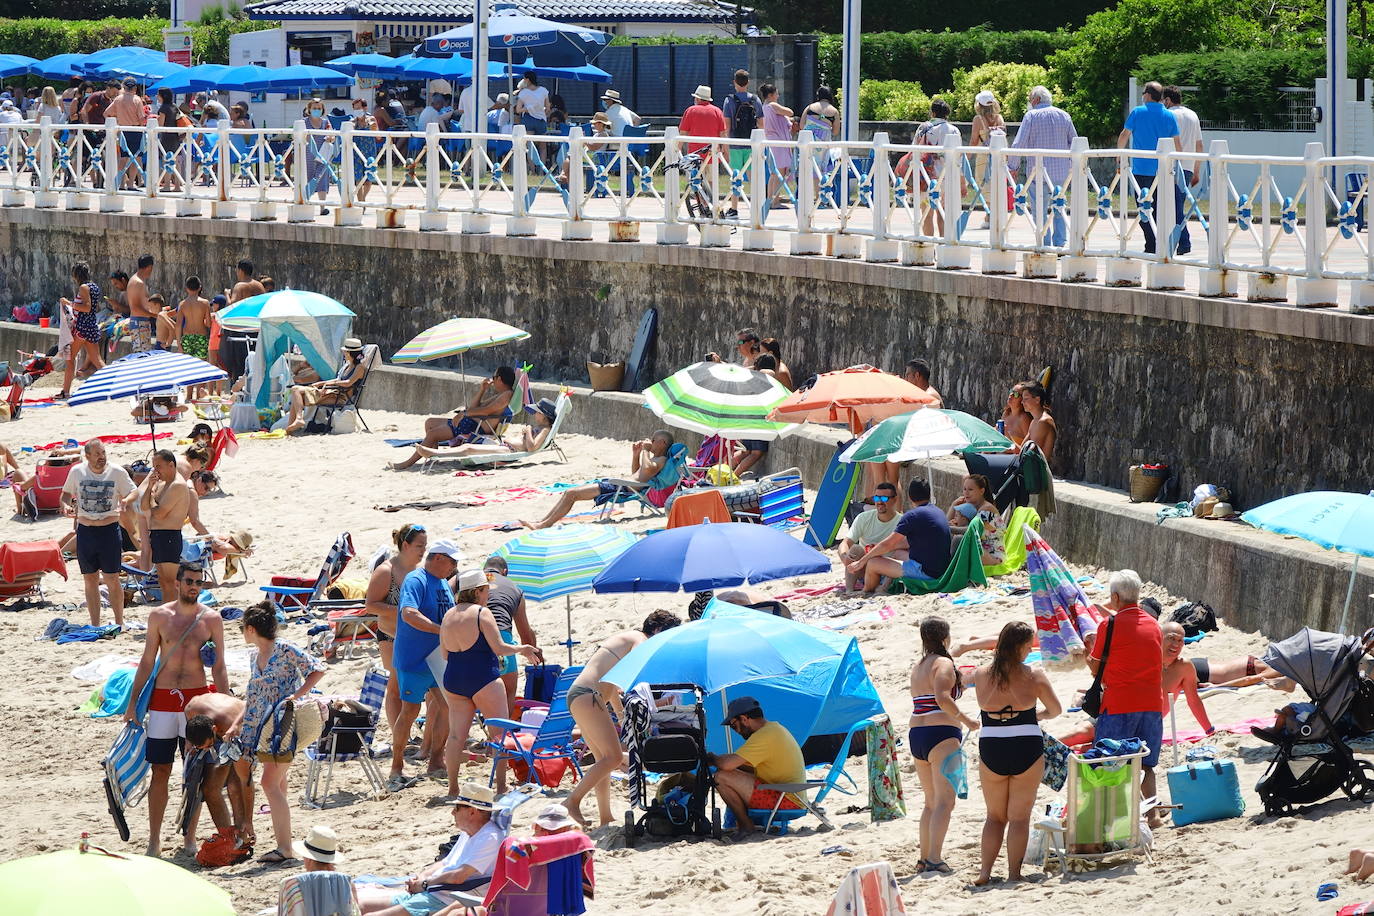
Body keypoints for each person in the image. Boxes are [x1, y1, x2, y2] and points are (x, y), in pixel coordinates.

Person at [125, 562, 229, 857]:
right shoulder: (159, 615)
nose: (194, 586)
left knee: (194, 772)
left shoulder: (211, 619)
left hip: (196, 703)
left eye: (199, 582)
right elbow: (147, 660)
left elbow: (219, 666)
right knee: (160, 770)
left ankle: (189, 838)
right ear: (178, 583)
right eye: (190, 581)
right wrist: (132, 703)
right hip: (162, 701)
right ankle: (154, 840)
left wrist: (225, 704)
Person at [563, 611, 682, 826]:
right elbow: (638, 670)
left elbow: (612, 687)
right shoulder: (639, 638)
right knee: (614, 758)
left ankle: (605, 817)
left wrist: (621, 718)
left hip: (581, 696)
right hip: (589, 697)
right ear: (657, 630)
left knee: (603, 760)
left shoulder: (624, 641)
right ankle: (572, 802)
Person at [232, 600, 328, 864]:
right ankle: (283, 844)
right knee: (278, 785)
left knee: (269, 783)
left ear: (251, 629)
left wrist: (296, 696)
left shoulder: (284, 649)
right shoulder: (254, 656)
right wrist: (236, 723)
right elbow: (253, 695)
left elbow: (317, 669)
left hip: (283, 726)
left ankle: (285, 848)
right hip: (260, 729)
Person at [971, 620, 1061, 885]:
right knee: (1019, 818)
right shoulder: (1034, 675)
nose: (1030, 650)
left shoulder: (981, 674)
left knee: (994, 817)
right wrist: (1037, 715)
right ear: (1019, 647)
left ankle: (985, 873)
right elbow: (1055, 710)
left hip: (992, 745)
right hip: (1026, 744)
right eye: (1028, 645)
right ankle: (1013, 874)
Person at [439, 568, 540, 796]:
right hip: (483, 677)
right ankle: (501, 786)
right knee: (499, 734)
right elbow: (499, 648)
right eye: (486, 590)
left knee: (455, 736)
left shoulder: (448, 615)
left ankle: (453, 788)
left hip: (454, 679)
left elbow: (445, 654)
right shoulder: (481, 613)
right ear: (477, 591)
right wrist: (522, 649)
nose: (488, 595)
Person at [356, 783, 506, 916]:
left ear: (472, 811)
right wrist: (421, 877)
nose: (452, 813)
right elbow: (445, 863)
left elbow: (458, 877)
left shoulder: (490, 838)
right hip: (434, 892)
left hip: (448, 899)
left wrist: (425, 883)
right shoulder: (469, 832)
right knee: (360, 906)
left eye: (456, 808)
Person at [1087, 569, 1165, 824]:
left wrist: (1088, 654)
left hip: (1119, 703)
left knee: (1110, 761)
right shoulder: (1154, 625)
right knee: (1146, 763)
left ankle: (1113, 818)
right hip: (1152, 703)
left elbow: (1095, 667)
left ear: (1116, 597)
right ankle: (1152, 814)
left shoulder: (1108, 625)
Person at [390, 539, 465, 791]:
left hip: (439, 657)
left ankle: (436, 760)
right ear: (438, 558)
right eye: (452, 562)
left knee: (447, 706)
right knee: (410, 710)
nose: (454, 567)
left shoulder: (443, 583)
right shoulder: (416, 579)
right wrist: (440, 630)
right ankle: (396, 765)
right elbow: (408, 614)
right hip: (414, 657)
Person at [910, 617, 980, 874]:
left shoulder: (918, 666)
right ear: (944, 638)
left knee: (930, 802)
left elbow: (929, 697)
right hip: (941, 733)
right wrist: (967, 720)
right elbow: (942, 698)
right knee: (944, 802)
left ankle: (924, 857)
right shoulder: (944, 663)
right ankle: (935, 858)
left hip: (917, 733)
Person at [521, 430, 675, 530]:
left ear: (663, 443)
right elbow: (637, 473)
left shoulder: (661, 460)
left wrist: (646, 451)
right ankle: (543, 522)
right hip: (622, 485)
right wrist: (636, 455)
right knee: (569, 493)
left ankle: (544, 524)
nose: (651, 441)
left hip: (621, 487)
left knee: (571, 493)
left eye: (654, 439)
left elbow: (648, 469)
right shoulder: (654, 459)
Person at [366, 522, 428, 751]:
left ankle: (410, 733)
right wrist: (402, 611)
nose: (423, 551)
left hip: (417, 638)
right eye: (419, 546)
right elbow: (371, 605)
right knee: (395, 686)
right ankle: (399, 736)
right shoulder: (386, 571)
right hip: (391, 635)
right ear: (405, 545)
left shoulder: (421, 572)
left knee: (417, 688)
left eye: (425, 546)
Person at [707, 697, 806, 836]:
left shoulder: (765, 735)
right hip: (790, 796)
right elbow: (744, 767)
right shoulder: (774, 729)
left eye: (733, 725)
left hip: (786, 801)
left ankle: (746, 826)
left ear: (744, 719)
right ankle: (744, 825)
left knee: (721, 777)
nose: (736, 731)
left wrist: (712, 758)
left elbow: (726, 764)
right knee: (727, 772)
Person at [61, 439, 134, 627]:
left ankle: (119, 622)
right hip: (85, 531)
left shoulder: (117, 471)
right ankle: (95, 624)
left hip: (109, 530)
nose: (102, 457)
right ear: (87, 456)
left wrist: (126, 501)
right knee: (90, 578)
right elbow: (66, 494)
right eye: (97, 454)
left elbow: (133, 491)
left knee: (112, 578)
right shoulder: (77, 471)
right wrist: (65, 505)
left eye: (103, 453)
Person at [388, 366, 517, 470]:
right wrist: (482, 390)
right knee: (430, 423)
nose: (492, 381)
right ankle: (433, 457)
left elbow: (486, 410)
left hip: (474, 427)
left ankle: (407, 463)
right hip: (471, 423)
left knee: (433, 434)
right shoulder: (501, 395)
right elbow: (474, 407)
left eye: (494, 377)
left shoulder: (507, 395)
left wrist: (464, 414)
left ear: (500, 379)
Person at [847, 478, 951, 595]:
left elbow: (888, 544)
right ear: (928, 494)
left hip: (925, 572)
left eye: (884, 498)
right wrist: (878, 548)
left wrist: (862, 561)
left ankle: (866, 591)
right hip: (941, 570)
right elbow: (904, 543)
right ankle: (884, 587)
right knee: (898, 553)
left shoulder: (912, 516)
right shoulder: (938, 512)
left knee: (873, 563)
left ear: (909, 496)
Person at [1008, 86, 1078, 248]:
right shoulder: (1064, 115)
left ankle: (1044, 243)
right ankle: (1060, 243)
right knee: (1059, 206)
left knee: (1039, 210)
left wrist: (1012, 166)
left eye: (1030, 99)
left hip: (1037, 172)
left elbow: (1019, 143)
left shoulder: (1031, 116)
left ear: (1037, 100)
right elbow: (1074, 142)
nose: (1029, 102)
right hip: (1061, 171)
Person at [1118, 81, 1181, 255]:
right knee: (1160, 210)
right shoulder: (1169, 115)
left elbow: (1124, 135)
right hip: (1162, 171)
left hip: (1141, 169)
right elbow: (1177, 143)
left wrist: (1119, 156)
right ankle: (1160, 244)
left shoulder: (1137, 112)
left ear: (1147, 94)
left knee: (1143, 209)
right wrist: (1178, 164)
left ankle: (1151, 243)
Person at [184, 692, 249, 851]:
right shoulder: (190, 709)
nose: (207, 749)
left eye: (208, 745)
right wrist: (189, 743)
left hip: (244, 728)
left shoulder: (229, 725)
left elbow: (246, 780)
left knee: (235, 785)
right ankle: (227, 837)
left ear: (214, 729)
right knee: (210, 789)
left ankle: (242, 836)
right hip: (220, 728)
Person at [483, 555, 539, 715]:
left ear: (485, 569)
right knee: (508, 690)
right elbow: (524, 633)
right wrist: (535, 653)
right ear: (505, 571)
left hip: (471, 634)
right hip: (501, 635)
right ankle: (501, 729)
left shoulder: (475, 580)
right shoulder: (515, 588)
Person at [283, 338, 369, 434]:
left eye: (345, 351)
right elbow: (338, 380)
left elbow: (348, 383)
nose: (344, 353)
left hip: (340, 397)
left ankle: (298, 420)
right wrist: (321, 383)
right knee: (296, 394)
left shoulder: (359, 368)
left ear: (350, 353)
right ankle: (291, 428)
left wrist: (327, 384)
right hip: (332, 393)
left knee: (296, 390)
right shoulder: (347, 366)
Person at [139, 448, 191, 600]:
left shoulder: (177, 485)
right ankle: (168, 607)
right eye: (154, 467)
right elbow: (144, 507)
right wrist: (149, 487)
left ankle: (175, 609)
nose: (155, 471)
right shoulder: (162, 484)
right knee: (162, 581)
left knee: (171, 581)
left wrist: (152, 506)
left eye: (158, 466)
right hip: (158, 535)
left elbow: (160, 513)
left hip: (169, 535)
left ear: (171, 465)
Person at [837, 482, 903, 592]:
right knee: (855, 549)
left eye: (884, 498)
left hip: (888, 571)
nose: (880, 502)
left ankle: (882, 589)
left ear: (895, 499)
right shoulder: (864, 518)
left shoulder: (902, 522)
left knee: (901, 553)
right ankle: (849, 590)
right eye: (877, 498)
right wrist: (844, 557)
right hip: (863, 569)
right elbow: (845, 543)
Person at [1162, 85, 1203, 254]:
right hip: (1188, 167)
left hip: (1173, 166)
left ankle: (1184, 241)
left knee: (1174, 207)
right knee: (1178, 205)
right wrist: (1196, 170)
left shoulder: (1169, 115)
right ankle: (1180, 241)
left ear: (1168, 100)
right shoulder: (1193, 115)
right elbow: (1199, 145)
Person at [56, 261, 105, 399]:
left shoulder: (83, 287)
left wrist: (69, 303)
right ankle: (113, 384)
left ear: (76, 275)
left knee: (70, 359)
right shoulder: (94, 287)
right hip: (91, 327)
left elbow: (87, 308)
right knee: (97, 361)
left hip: (82, 328)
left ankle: (65, 392)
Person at [915, 99, 962, 236]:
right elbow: (958, 158)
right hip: (947, 177)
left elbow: (914, 150)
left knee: (926, 214)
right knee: (943, 213)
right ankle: (943, 242)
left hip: (926, 176)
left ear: (933, 112)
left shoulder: (923, 128)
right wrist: (962, 180)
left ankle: (929, 243)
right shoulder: (954, 130)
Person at [1160, 621, 1216, 737]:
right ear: (1160, 638)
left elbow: (1193, 700)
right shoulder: (1147, 660)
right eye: (1171, 638)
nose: (1176, 644)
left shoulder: (1184, 667)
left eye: (1180, 640)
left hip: (1153, 724)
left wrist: (1209, 730)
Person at [721, 69, 764, 218]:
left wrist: (725, 146)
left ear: (735, 82)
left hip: (735, 144)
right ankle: (756, 208)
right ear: (748, 83)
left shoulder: (729, 101)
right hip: (751, 144)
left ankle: (734, 208)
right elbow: (761, 124)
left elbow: (726, 126)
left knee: (736, 177)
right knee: (753, 177)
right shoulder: (755, 100)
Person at [946, 474, 1005, 566]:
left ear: (981, 491)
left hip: (992, 556)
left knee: (958, 538)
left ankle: (950, 568)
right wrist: (953, 505)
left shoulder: (986, 508)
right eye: (964, 489)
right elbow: (947, 521)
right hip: (980, 549)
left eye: (970, 489)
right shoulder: (972, 506)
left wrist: (949, 528)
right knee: (947, 535)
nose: (966, 493)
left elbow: (971, 530)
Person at [969, 90, 1006, 227]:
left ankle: (990, 216)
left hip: (984, 157)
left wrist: (966, 157)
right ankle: (993, 216)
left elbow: (974, 141)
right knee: (997, 185)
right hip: (998, 157)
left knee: (984, 185)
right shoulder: (999, 118)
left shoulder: (978, 120)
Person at [759, 84, 794, 208]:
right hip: (778, 142)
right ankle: (775, 201)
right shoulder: (772, 106)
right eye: (776, 94)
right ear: (770, 95)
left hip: (771, 141)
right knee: (779, 172)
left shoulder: (763, 108)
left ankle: (771, 199)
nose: (778, 96)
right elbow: (790, 112)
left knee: (775, 173)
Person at [108, 78, 146, 190]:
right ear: (135, 88)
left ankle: (120, 184)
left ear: (124, 87)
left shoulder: (118, 99)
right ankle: (130, 184)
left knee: (123, 158)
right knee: (135, 158)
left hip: (123, 130)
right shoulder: (137, 99)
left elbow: (107, 113)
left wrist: (118, 119)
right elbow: (141, 118)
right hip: (136, 130)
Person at [302, 98, 333, 215]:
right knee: (308, 178)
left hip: (323, 154)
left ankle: (322, 207)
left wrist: (330, 137)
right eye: (314, 108)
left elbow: (332, 135)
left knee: (322, 179)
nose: (317, 110)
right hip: (307, 155)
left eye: (319, 108)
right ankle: (305, 203)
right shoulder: (304, 122)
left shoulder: (325, 122)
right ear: (309, 109)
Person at [678, 84, 726, 158]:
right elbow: (723, 133)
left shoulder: (690, 111)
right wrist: (724, 150)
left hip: (695, 155)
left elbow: (683, 133)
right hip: (713, 154)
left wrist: (678, 150)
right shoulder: (717, 111)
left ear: (697, 98)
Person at [125, 253, 158, 354]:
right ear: (149, 267)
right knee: (141, 356)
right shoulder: (137, 282)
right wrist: (154, 315)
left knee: (143, 354)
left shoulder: (138, 281)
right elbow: (135, 308)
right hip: (139, 323)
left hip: (141, 323)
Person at [1015, 381, 1056, 460]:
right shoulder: (1035, 421)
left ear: (1037, 399)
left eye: (1026, 399)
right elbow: (1021, 450)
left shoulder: (1043, 422)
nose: (1022, 402)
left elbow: (1030, 455)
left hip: (1035, 467)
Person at [174, 276, 211, 361]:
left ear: (186, 288)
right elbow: (209, 324)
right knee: (201, 365)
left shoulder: (182, 304)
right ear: (199, 288)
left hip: (187, 337)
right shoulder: (205, 303)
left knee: (188, 364)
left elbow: (178, 325)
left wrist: (179, 345)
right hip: (201, 336)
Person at [156, 87, 183, 192]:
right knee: (176, 161)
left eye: (158, 95)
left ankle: (167, 185)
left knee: (167, 160)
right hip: (176, 136)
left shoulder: (163, 108)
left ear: (163, 96)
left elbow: (161, 124)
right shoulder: (174, 107)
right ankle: (177, 185)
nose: (157, 97)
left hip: (166, 137)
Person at [1000, 381, 1031, 446]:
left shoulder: (1023, 418)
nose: (1011, 395)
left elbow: (1028, 446)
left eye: (1015, 394)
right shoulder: (1006, 414)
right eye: (1011, 391)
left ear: (1022, 399)